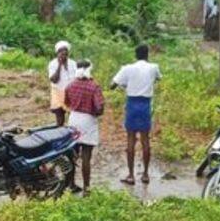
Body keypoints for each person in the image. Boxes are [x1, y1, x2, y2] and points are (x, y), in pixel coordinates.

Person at [111, 44, 161, 185]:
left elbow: (112, 85)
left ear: (135, 55)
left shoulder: (127, 68)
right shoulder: (153, 67)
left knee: (131, 140)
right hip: (145, 105)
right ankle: (145, 174)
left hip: (132, 104)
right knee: (145, 140)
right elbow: (158, 78)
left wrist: (125, 85)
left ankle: (131, 175)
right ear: (147, 55)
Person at [65, 60, 105, 196]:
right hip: (88, 120)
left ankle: (70, 184)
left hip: (74, 119)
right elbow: (99, 107)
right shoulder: (94, 86)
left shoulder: (71, 85)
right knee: (86, 157)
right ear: (90, 69)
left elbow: (66, 102)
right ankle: (86, 188)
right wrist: (96, 112)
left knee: (72, 155)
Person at [48, 41, 77, 126]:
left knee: (72, 115)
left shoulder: (73, 63)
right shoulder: (53, 64)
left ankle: (71, 133)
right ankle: (59, 132)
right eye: (61, 51)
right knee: (59, 115)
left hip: (71, 93)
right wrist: (59, 66)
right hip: (58, 92)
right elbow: (54, 80)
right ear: (57, 53)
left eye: (65, 51)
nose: (63, 53)